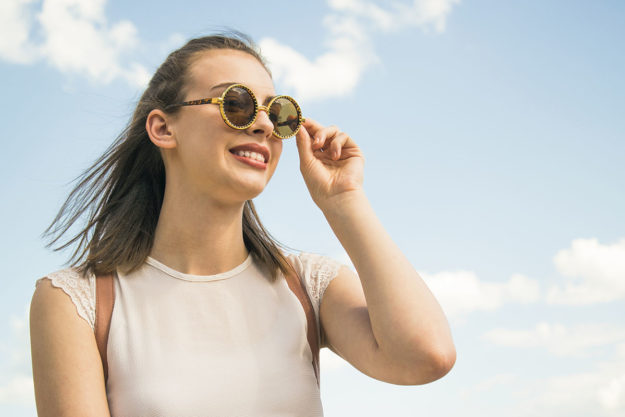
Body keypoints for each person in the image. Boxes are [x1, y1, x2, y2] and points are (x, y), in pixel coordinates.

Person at [29, 33, 456, 416]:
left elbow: (425, 357)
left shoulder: (307, 285)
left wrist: (344, 201)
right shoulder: (75, 301)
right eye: (236, 104)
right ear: (163, 128)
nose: (266, 125)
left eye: (279, 113)